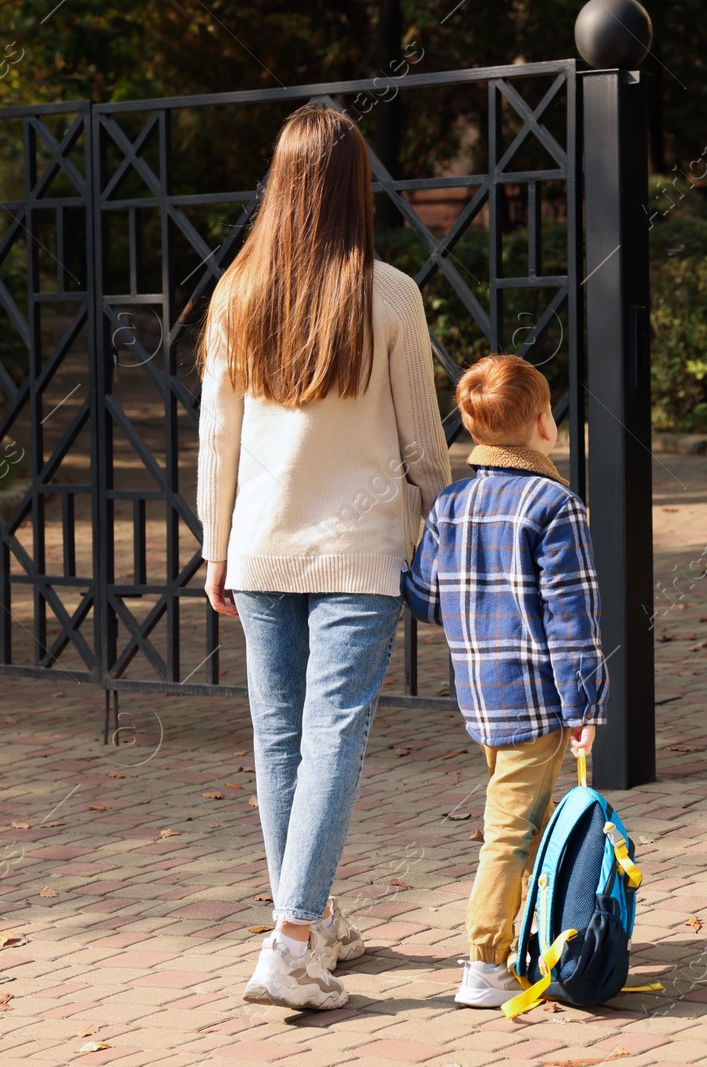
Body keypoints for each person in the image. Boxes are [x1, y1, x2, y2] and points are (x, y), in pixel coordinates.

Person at [196, 103, 451, 1011]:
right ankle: (293, 942)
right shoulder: (390, 294)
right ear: (354, 187)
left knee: (280, 739)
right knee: (332, 737)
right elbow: (424, 445)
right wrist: (437, 523)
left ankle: (314, 920)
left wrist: (213, 546)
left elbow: (216, 440)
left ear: (280, 185)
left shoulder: (236, 292)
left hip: (262, 548)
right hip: (357, 550)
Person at [402, 353, 607, 1009]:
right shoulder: (555, 505)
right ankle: (484, 961)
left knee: (529, 819)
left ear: (471, 425)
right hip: (539, 698)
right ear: (545, 423)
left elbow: (427, 596)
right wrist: (584, 704)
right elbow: (571, 618)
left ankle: (536, 933)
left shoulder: (453, 504)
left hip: (480, 695)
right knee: (510, 832)